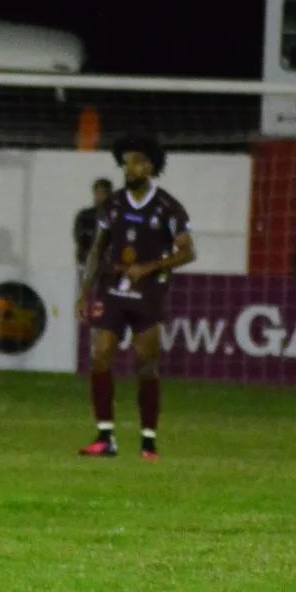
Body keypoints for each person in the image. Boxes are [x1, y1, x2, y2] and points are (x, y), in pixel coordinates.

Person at [75, 135, 196, 462]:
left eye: (138, 162)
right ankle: (105, 436)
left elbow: (187, 252)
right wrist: (85, 292)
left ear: (151, 167)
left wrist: (150, 267)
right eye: (127, 163)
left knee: (147, 364)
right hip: (113, 290)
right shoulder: (113, 204)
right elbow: (97, 249)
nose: (130, 168)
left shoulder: (167, 206)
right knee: (100, 356)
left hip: (149, 293)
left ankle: (148, 441)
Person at [73, 178, 113, 268]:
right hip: (86, 263)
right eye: (98, 193)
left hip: (108, 265)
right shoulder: (84, 215)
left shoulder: (115, 216)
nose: (101, 197)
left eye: (104, 193)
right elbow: (79, 238)